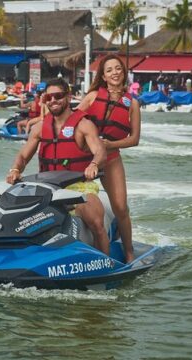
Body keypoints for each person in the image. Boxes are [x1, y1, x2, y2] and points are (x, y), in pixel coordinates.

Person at [6, 78, 111, 255]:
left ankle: (105, 262)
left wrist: (94, 164)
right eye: (49, 97)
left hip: (79, 187)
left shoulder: (83, 125)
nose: (53, 100)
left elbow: (100, 152)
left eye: (58, 96)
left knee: (95, 223)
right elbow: (23, 156)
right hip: (47, 188)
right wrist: (15, 169)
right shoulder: (39, 128)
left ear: (68, 97)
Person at [76, 54, 141, 263]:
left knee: (120, 207)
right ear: (103, 76)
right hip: (84, 157)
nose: (115, 73)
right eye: (110, 70)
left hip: (111, 157)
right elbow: (73, 121)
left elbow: (134, 139)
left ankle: (129, 251)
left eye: (118, 69)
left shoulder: (132, 104)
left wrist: (110, 145)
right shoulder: (93, 96)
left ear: (123, 73)